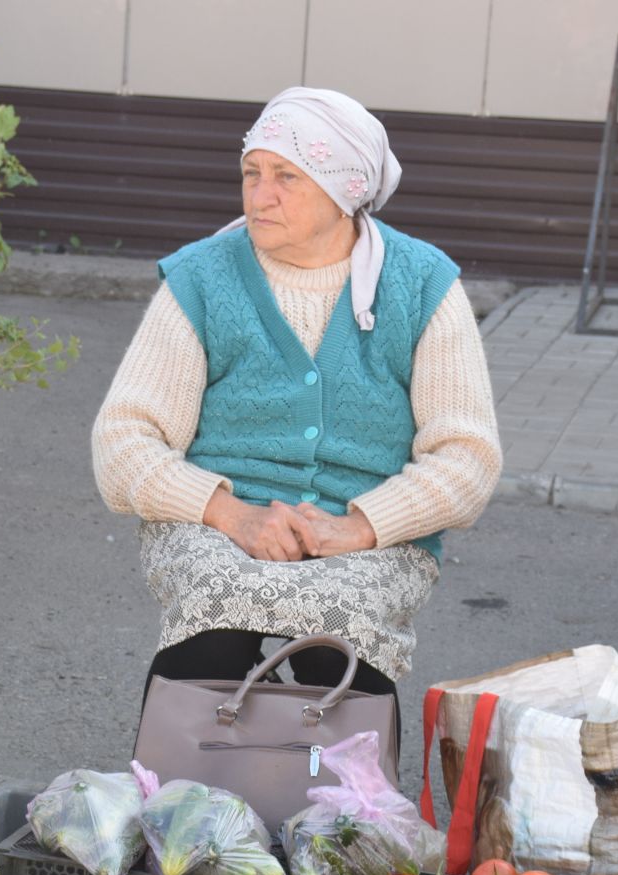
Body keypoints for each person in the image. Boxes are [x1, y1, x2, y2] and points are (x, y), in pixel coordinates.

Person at [92, 86, 501, 709]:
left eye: (286, 176)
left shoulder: (421, 284)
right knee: (211, 635)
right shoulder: (204, 278)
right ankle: (181, 797)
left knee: (338, 650)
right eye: (251, 173)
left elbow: (468, 458)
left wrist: (361, 527)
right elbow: (123, 442)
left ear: (347, 191)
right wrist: (232, 516)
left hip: (370, 535)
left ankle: (339, 803)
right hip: (217, 527)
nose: (261, 195)